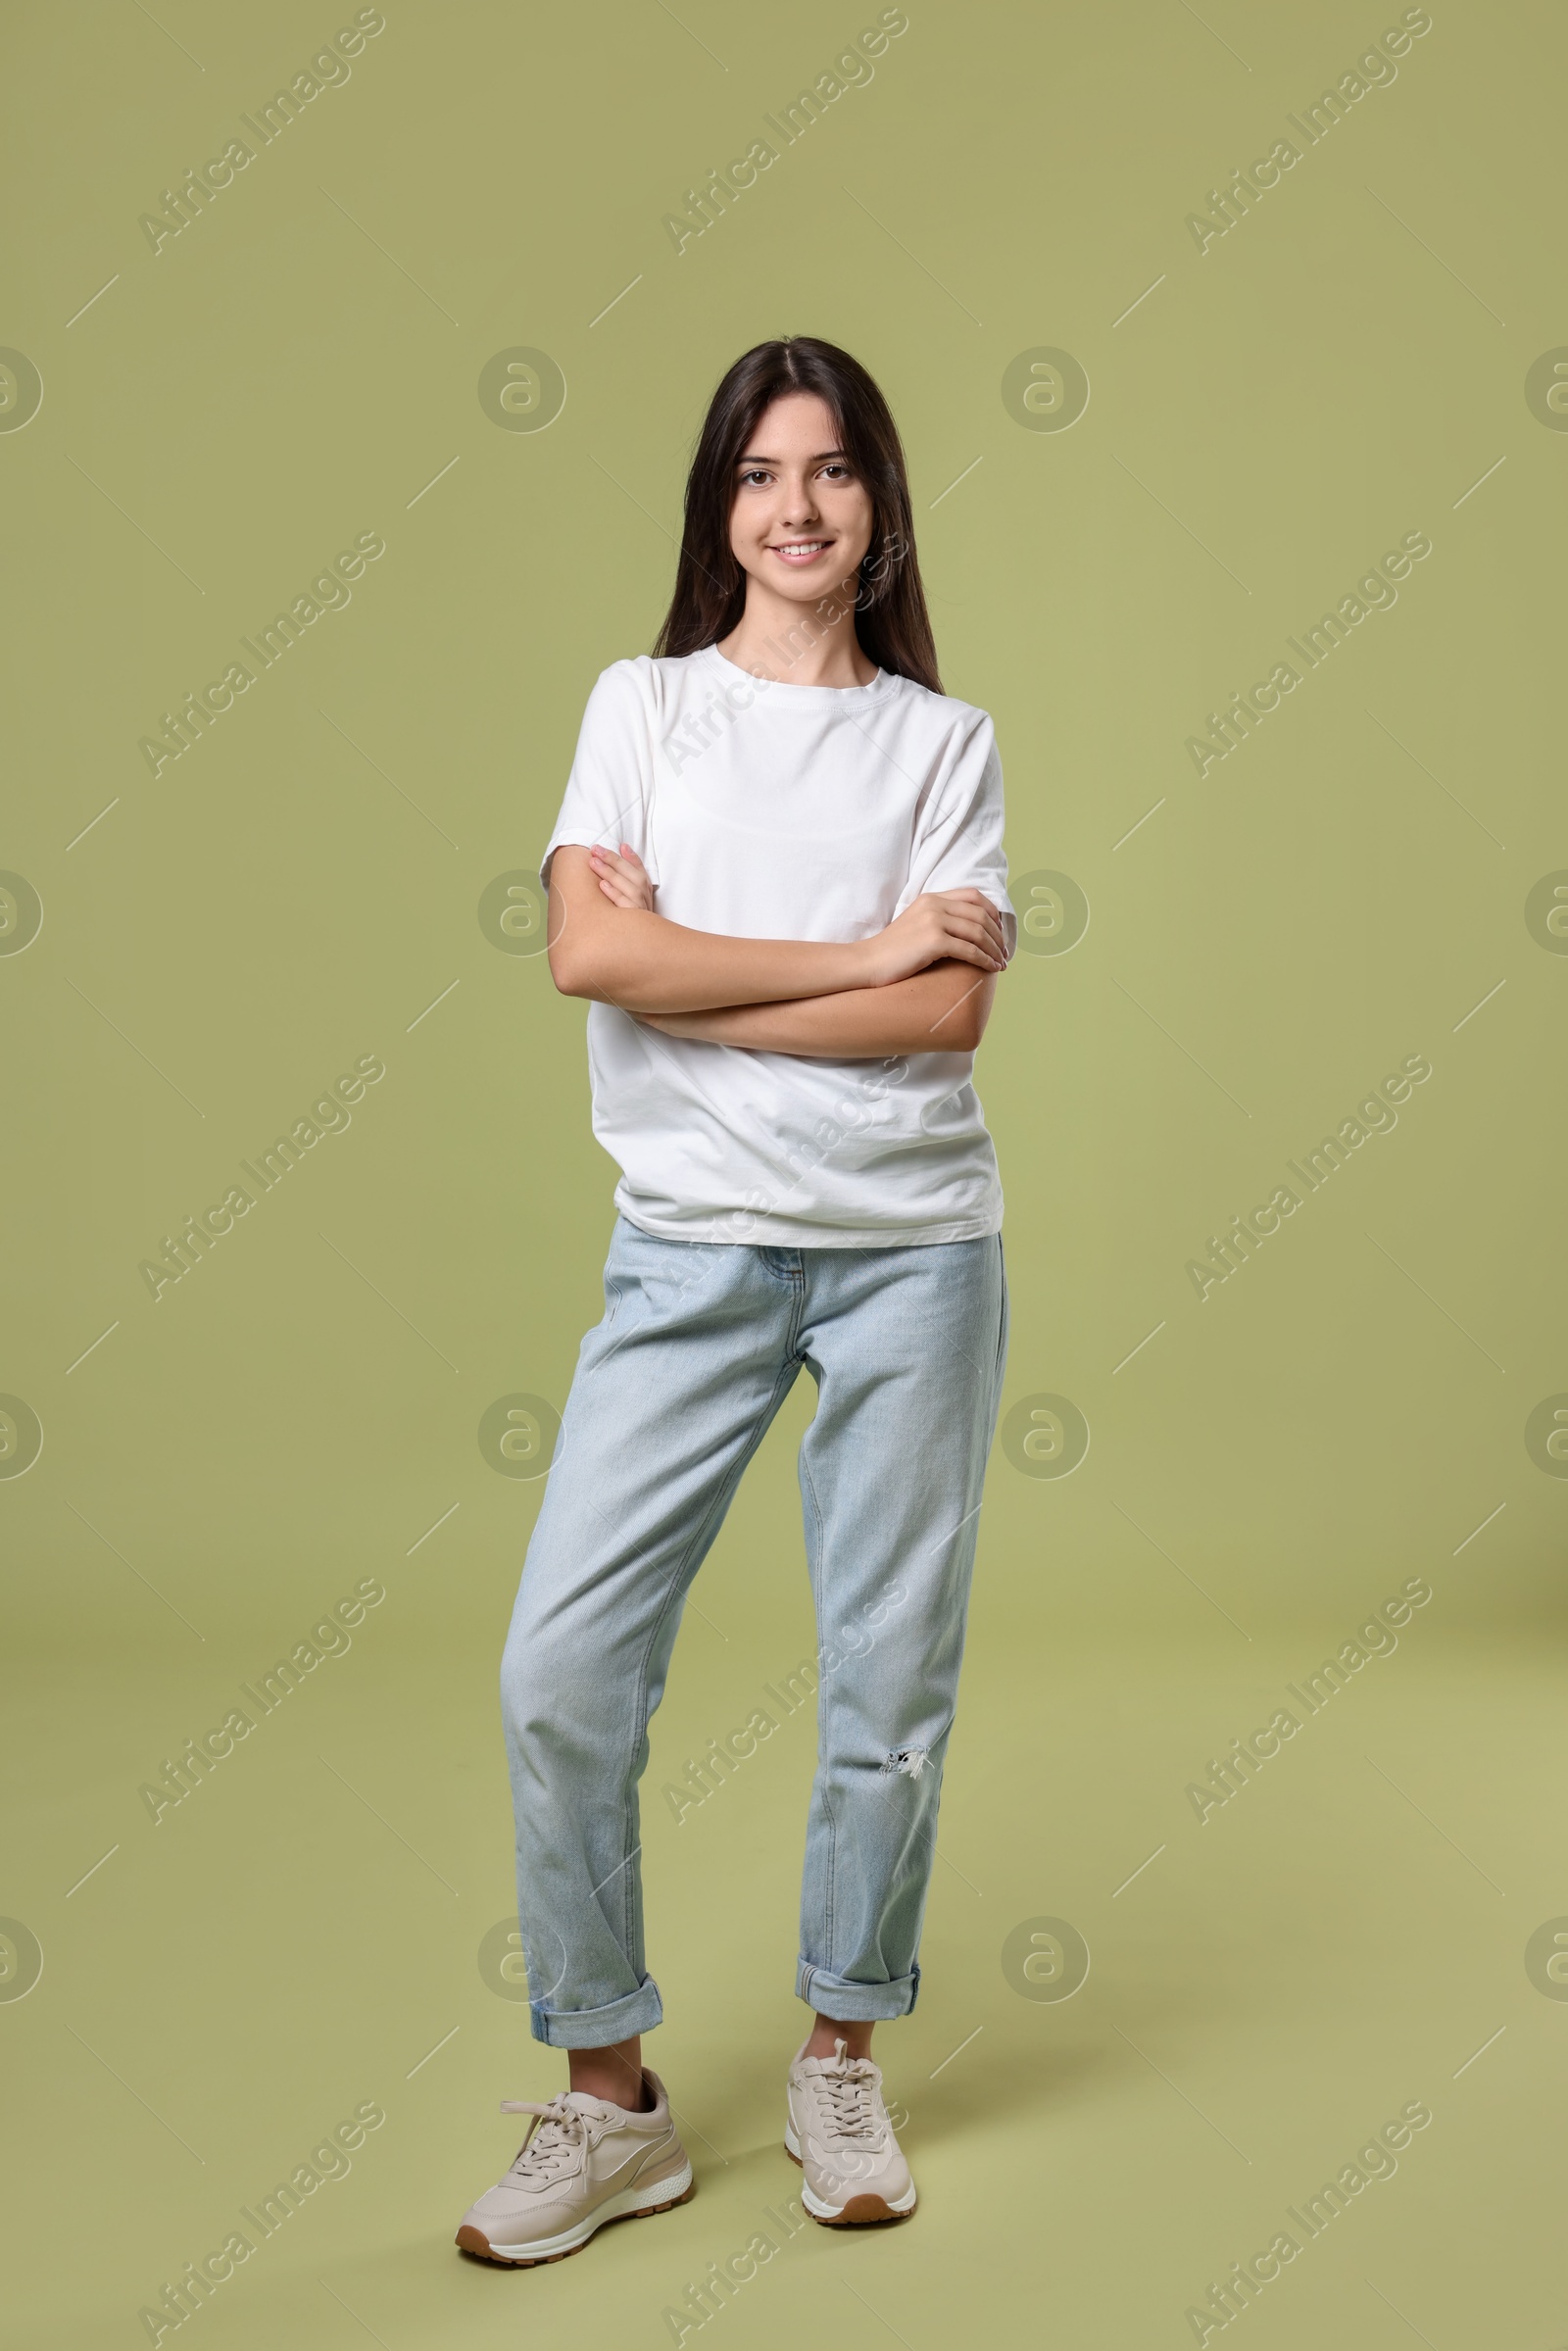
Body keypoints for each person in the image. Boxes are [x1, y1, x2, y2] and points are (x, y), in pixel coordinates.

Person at [456, 336, 1013, 2267]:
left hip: (908, 1257)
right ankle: (606, 2102)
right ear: (719, 510)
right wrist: (852, 947)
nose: (795, 505)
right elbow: (583, 957)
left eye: (833, 471)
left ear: (877, 510)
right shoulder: (641, 710)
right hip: (686, 1250)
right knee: (562, 1667)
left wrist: (699, 966)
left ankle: (838, 2049)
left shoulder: (943, 744)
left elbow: (943, 1016)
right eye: (760, 473)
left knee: (885, 1686)